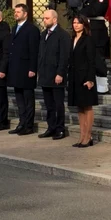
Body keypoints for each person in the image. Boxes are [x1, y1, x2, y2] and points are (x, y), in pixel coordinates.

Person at [38, 9, 71, 140]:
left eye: (47, 18)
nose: (44, 20)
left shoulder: (62, 35)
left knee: (58, 104)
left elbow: (64, 56)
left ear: (54, 19)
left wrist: (60, 73)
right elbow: (40, 54)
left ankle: (60, 129)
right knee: (49, 104)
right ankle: (51, 127)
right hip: (45, 74)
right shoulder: (43, 34)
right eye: (44, 18)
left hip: (56, 75)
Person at [8, 3, 40, 135]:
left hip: (27, 68)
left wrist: (33, 68)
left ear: (25, 13)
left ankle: (29, 125)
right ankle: (21, 123)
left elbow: (34, 50)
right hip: (16, 68)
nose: (15, 14)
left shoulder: (31, 29)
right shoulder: (15, 27)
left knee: (28, 99)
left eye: (18, 12)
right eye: (15, 12)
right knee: (19, 98)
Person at [68, 14, 98, 147]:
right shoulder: (72, 38)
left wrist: (90, 79)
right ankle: (82, 136)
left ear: (84, 25)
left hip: (85, 77)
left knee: (87, 106)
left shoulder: (88, 40)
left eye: (78, 23)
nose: (76, 25)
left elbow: (92, 61)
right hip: (74, 77)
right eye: (74, 22)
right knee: (79, 107)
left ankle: (88, 136)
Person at [80, 0, 109, 78]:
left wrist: (82, 12)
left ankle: (102, 85)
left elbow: (95, 11)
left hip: (97, 30)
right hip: (92, 28)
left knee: (98, 58)